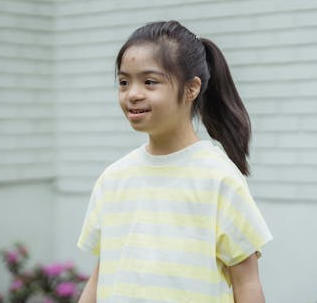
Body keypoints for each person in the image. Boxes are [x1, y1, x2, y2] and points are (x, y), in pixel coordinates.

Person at [77, 20, 272, 303]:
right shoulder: (113, 178)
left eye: (149, 82)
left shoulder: (218, 178)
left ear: (192, 89)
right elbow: (102, 272)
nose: (132, 93)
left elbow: (247, 283)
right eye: (124, 82)